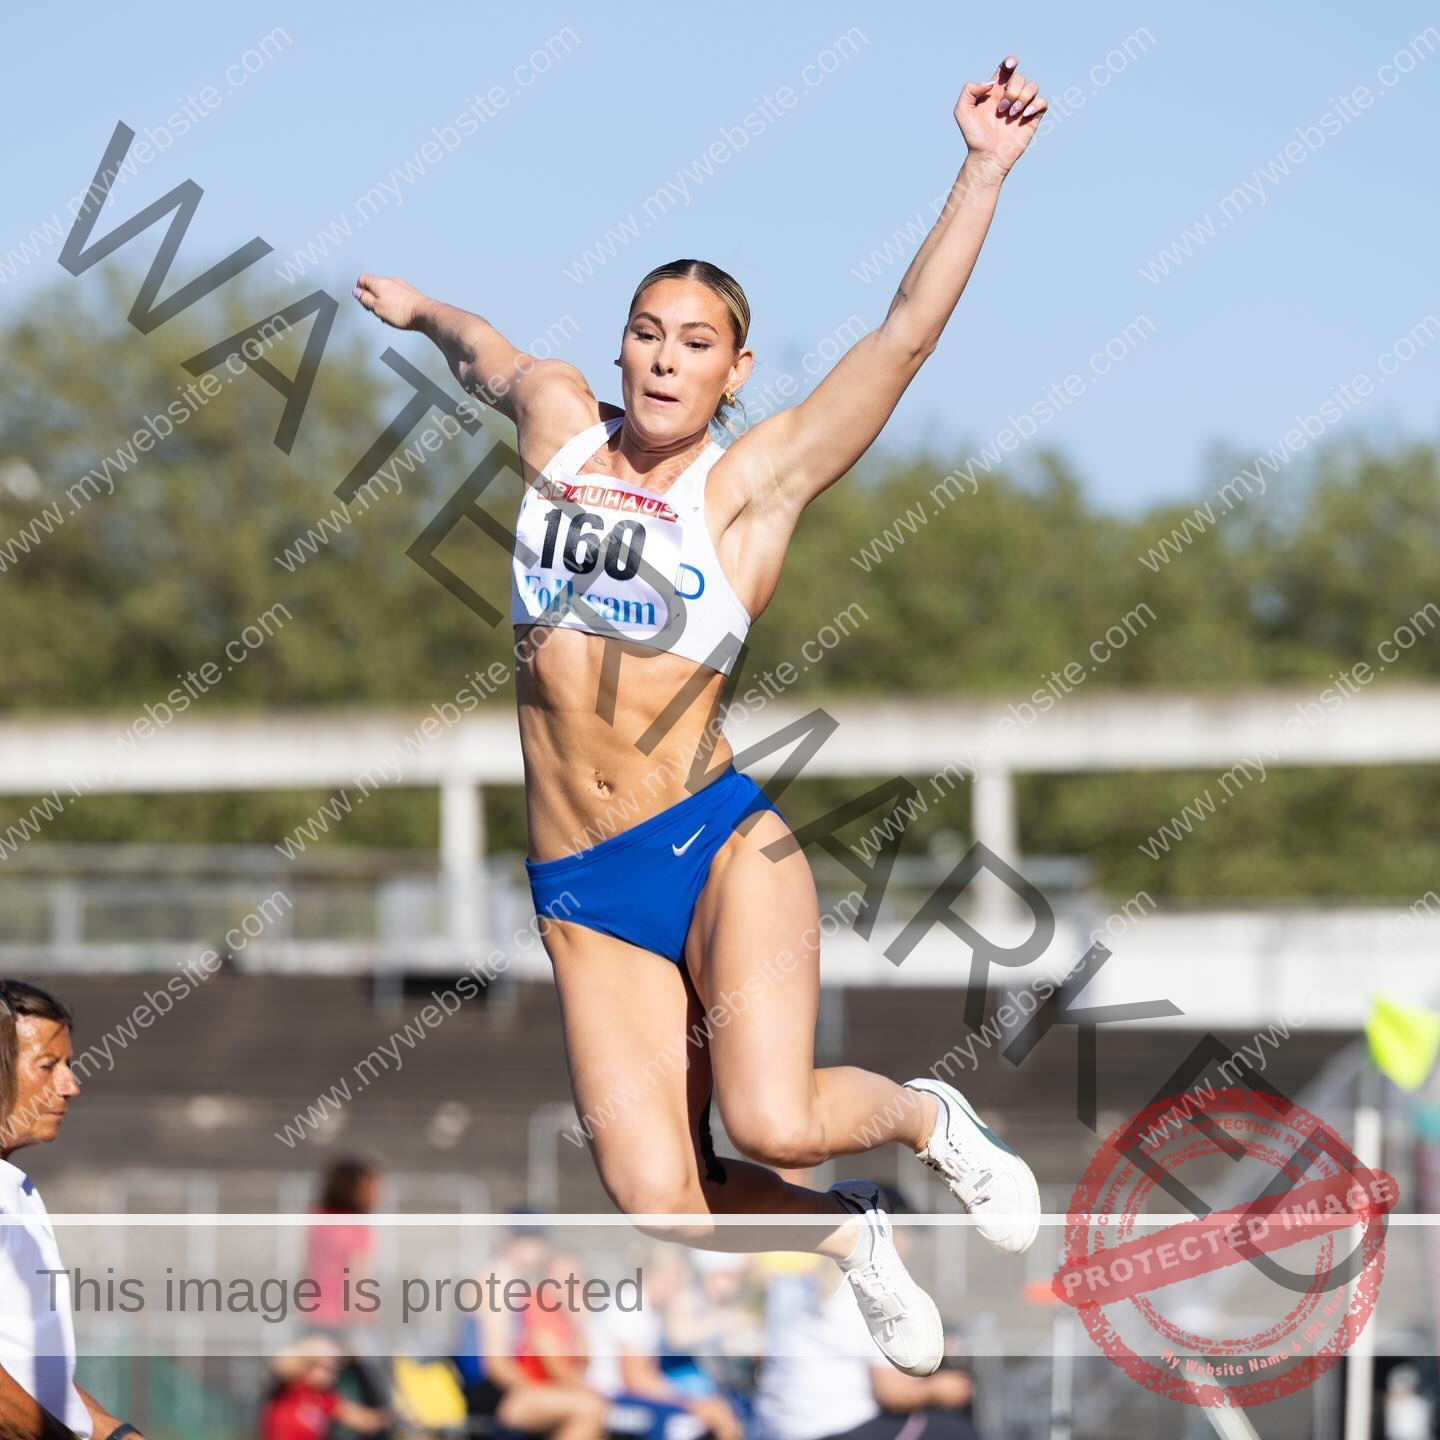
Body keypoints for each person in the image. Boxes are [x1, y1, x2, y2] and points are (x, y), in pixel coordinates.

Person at [353, 54, 1048, 1377]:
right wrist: (419, 305)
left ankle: (930, 1124)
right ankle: (849, 1242)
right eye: (650, 333)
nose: (667, 359)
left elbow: (900, 335)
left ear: (732, 373)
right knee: (662, 1200)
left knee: (772, 1121)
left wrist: (981, 169)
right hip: (583, 884)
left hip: (719, 841)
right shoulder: (560, 425)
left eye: (697, 345)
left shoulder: (751, 486)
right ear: (623, 346)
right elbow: (486, 354)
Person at [0, 980, 140, 1440]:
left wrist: (115, 1433)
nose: (71, 1086)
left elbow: (37, 1382)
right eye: (48, 1065)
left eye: (69, 1065)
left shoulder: (16, 1191)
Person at [259, 1335, 387, 1440]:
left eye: (333, 1370)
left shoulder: (324, 1399)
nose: (331, 1375)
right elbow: (283, 1363)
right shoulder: (290, 1388)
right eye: (325, 1368)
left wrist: (391, 1418)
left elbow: (362, 1419)